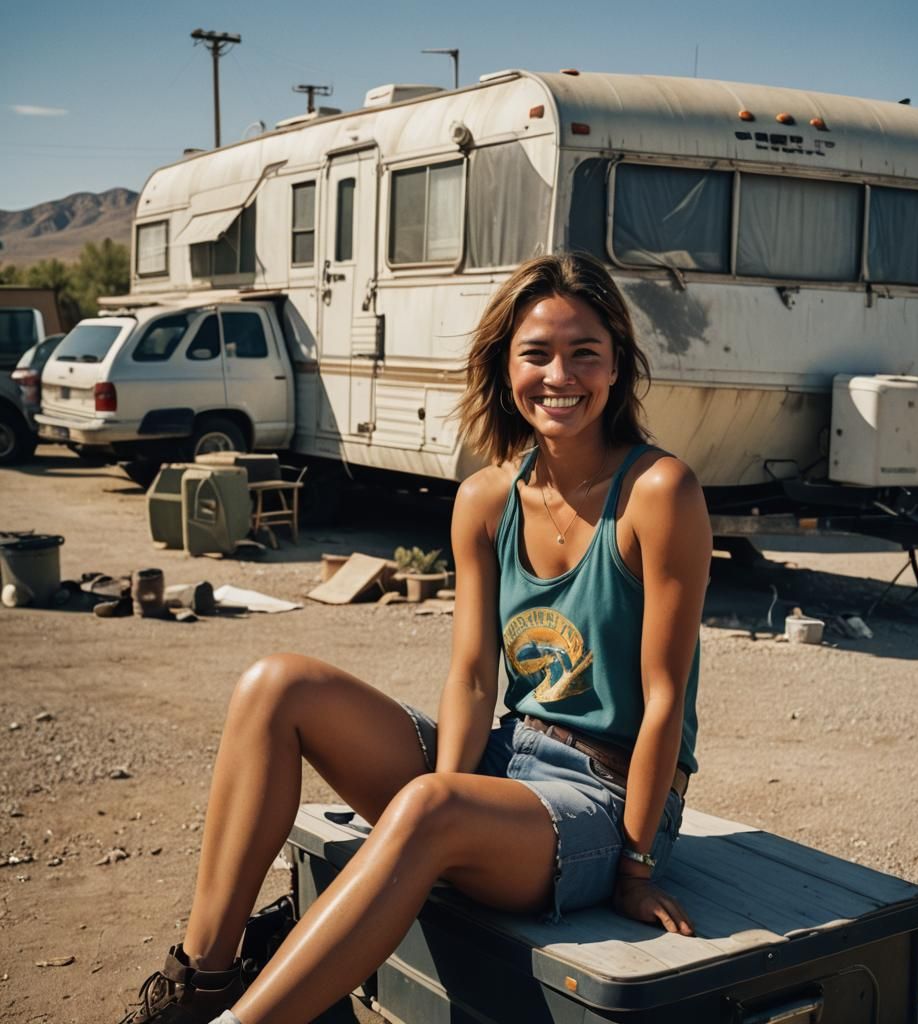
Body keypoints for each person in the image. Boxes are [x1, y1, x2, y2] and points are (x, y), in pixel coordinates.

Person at [117, 253, 711, 1024]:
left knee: (431, 805)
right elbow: (472, 678)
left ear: (617, 366)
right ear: (505, 367)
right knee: (277, 685)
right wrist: (457, 798)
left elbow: (665, 699)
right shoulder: (487, 499)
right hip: (509, 760)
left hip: (609, 798)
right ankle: (203, 982)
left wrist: (635, 869)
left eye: (584, 353)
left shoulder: (659, 492)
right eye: (536, 353)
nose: (559, 375)